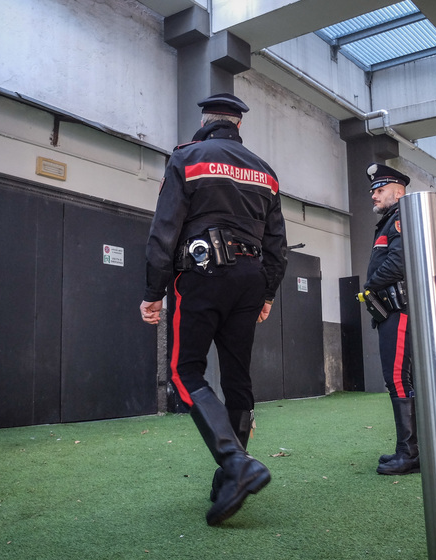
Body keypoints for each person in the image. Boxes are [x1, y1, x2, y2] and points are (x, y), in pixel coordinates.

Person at [140, 93, 288, 525]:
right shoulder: (266, 172)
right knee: (238, 377)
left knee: (185, 372)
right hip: (251, 278)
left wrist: (154, 291)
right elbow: (277, 244)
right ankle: (231, 475)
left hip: (202, 276)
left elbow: (164, 229)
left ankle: (236, 464)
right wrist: (267, 294)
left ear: (204, 122)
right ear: (239, 127)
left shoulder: (188, 158)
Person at [361, 162, 419, 476]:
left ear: (398, 192)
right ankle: (410, 449)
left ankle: (409, 453)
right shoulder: (389, 222)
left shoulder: (399, 220)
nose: (373, 195)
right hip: (392, 312)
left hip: (399, 310)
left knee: (398, 378)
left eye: (379, 190)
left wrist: (370, 286)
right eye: (373, 191)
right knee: (400, 379)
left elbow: (398, 264)